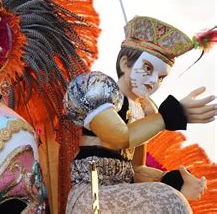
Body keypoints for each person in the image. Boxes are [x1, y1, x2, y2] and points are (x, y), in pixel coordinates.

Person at [64, 16, 215, 213]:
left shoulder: (145, 110)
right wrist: (169, 116)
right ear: (125, 63)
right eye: (147, 68)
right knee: (168, 201)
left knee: (171, 199)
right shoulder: (96, 87)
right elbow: (120, 137)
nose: (153, 81)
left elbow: (136, 169)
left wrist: (172, 180)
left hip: (123, 192)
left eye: (161, 77)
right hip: (92, 195)